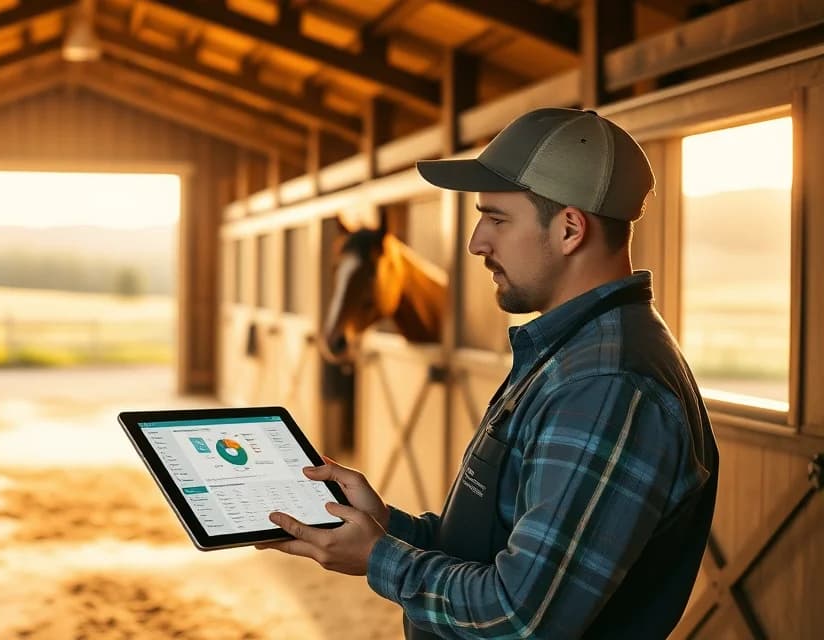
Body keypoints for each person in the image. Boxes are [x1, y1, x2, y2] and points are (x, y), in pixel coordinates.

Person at [257, 107, 720, 639]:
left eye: (497, 218)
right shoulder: (569, 350)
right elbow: (501, 543)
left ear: (570, 229)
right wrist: (385, 525)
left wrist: (382, 559)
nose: (477, 242)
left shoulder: (603, 386)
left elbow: (521, 615)